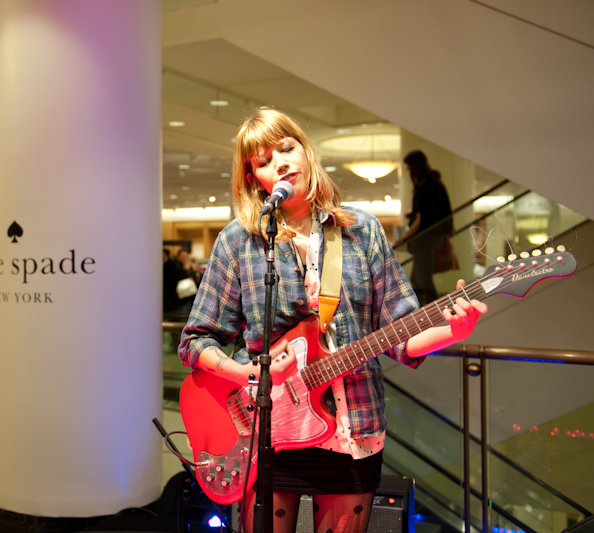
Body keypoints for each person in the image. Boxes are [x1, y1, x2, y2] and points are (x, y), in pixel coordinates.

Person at [178, 108, 487, 533]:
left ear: (306, 152)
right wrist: (248, 372)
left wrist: (453, 330)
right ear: (255, 180)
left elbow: (403, 333)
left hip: (351, 431)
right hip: (267, 434)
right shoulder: (239, 241)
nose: (281, 163)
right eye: (265, 161)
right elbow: (196, 339)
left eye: (287, 148)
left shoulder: (362, 230)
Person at [394, 150, 453, 306]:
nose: (407, 171)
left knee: (423, 279)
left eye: (408, 167)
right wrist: (414, 213)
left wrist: (405, 236)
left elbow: (422, 219)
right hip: (432, 236)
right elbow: (429, 213)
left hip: (426, 237)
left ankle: (432, 311)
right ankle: (422, 310)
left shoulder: (426, 186)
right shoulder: (433, 184)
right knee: (417, 278)